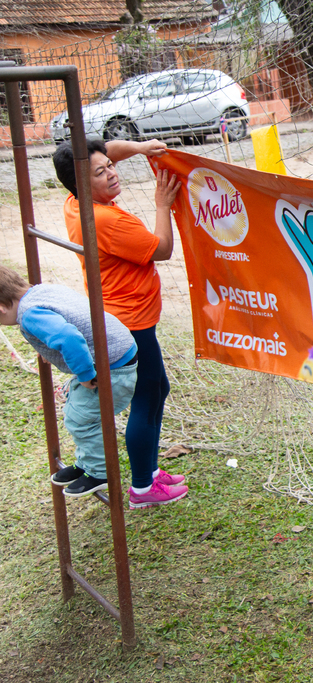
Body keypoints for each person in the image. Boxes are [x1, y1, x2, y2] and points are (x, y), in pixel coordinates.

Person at [52, 138, 187, 510]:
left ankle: (150, 471)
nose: (112, 172)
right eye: (101, 172)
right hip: (131, 323)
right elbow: (161, 249)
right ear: (82, 182)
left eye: (109, 165)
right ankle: (143, 487)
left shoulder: (74, 202)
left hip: (123, 315)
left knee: (158, 387)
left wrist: (142, 147)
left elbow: (105, 148)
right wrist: (163, 205)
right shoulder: (107, 220)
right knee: (147, 395)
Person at [0, 267, 176, 504]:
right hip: (119, 352)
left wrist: (84, 374)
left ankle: (100, 472)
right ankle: (86, 464)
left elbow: (69, 337)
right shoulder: (39, 292)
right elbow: (64, 321)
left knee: (81, 419)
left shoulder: (29, 314)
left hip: (110, 368)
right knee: (76, 409)